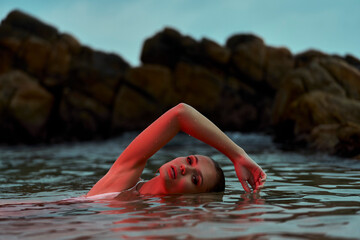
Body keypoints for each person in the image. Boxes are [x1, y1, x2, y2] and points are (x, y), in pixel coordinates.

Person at [87, 103, 266, 197]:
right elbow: (180, 114)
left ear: (192, 199)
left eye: (195, 179)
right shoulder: (123, 178)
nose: (185, 169)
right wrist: (238, 155)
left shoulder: (158, 225)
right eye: (189, 160)